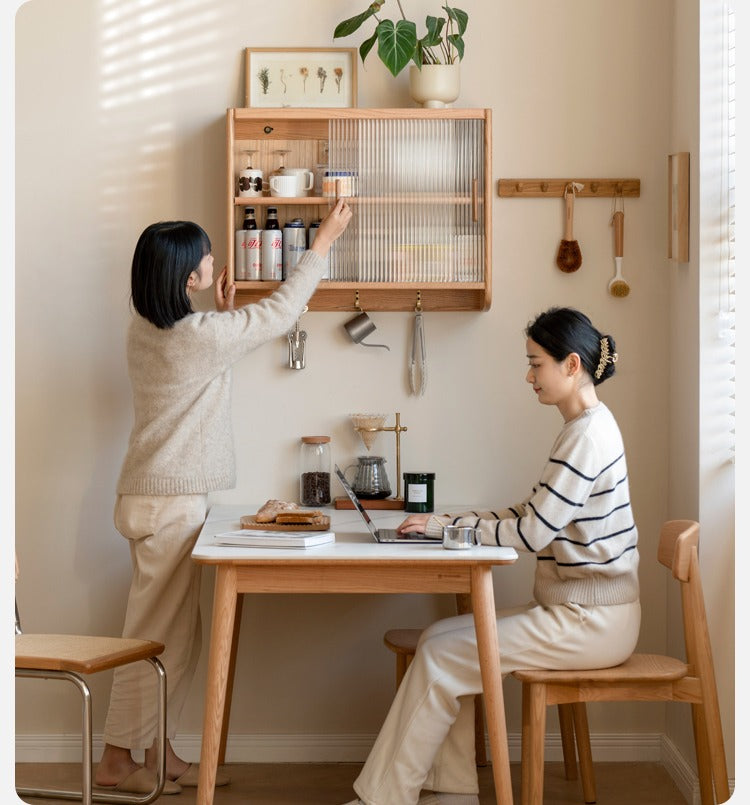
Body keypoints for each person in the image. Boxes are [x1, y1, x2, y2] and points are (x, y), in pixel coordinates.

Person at [94, 199, 352, 795]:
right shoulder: (193, 337)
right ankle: (114, 759)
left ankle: (160, 753)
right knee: (155, 637)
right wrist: (324, 242)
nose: (214, 259)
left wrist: (219, 314)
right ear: (189, 274)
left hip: (154, 497)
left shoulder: (151, 330)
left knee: (175, 634)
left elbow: (200, 370)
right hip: (169, 502)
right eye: (206, 255)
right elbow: (283, 313)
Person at [343, 306, 640, 805]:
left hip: (591, 622)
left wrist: (448, 529)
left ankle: (385, 800)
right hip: (580, 613)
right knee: (440, 639)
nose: (529, 376)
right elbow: (532, 512)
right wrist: (448, 524)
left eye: (536, 364)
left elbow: (531, 533)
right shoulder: (585, 428)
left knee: (440, 652)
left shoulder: (587, 436)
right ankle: (449, 791)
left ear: (571, 365)